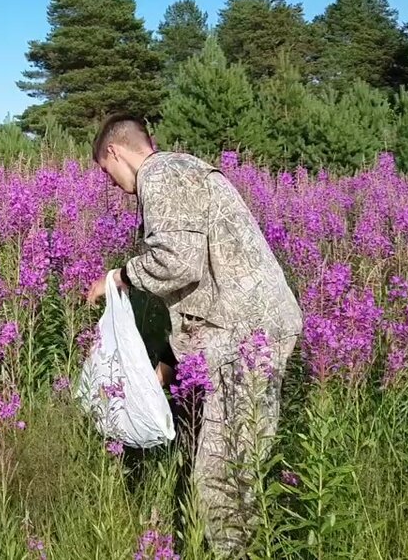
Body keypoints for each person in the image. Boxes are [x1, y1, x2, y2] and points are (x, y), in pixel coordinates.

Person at [85, 113, 302, 557]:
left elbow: (177, 262)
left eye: (105, 171)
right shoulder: (183, 171)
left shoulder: (160, 174)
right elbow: (197, 283)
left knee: (220, 477)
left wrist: (120, 276)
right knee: (238, 468)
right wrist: (168, 360)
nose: (109, 183)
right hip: (243, 328)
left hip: (245, 337)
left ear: (114, 152)